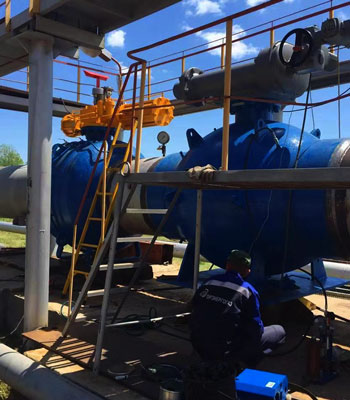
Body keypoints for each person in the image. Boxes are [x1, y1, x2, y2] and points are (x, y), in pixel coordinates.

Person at [189, 249, 286, 367]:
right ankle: (239, 365)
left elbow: (193, 307)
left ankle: (217, 360)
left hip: (199, 344)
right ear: (247, 271)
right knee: (279, 331)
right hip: (226, 350)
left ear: (227, 265)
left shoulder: (209, 282)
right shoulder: (247, 290)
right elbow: (256, 328)